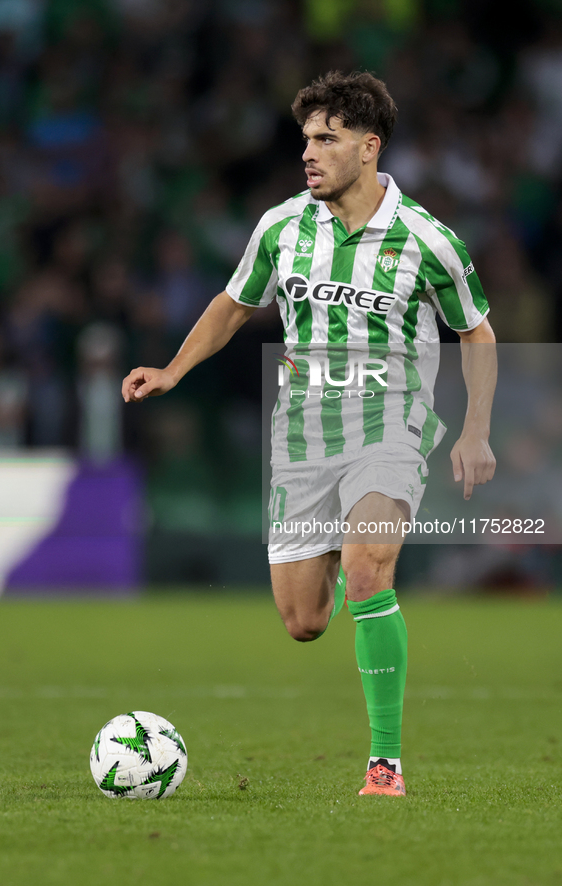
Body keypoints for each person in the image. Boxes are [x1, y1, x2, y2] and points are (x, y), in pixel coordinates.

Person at [122, 70, 497, 797]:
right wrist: (172, 370)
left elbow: (475, 332)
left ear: (368, 146)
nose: (309, 153)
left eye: (325, 139)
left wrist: (474, 430)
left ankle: (384, 764)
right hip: (301, 434)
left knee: (367, 571)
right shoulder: (281, 226)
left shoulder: (425, 238)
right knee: (303, 620)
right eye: (305, 140)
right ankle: (343, 560)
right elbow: (233, 304)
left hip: (393, 420)